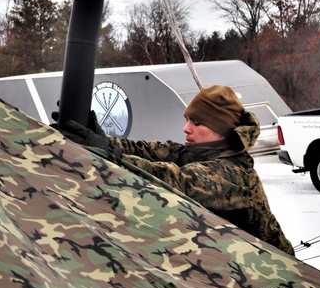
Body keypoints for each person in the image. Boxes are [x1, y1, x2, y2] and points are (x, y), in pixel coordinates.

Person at [57, 84, 295, 254]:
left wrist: (111, 155)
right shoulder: (197, 153)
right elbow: (146, 151)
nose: (186, 129)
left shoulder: (235, 176)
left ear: (220, 128)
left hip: (273, 275)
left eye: (197, 122)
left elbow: (173, 180)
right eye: (187, 119)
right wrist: (102, 139)